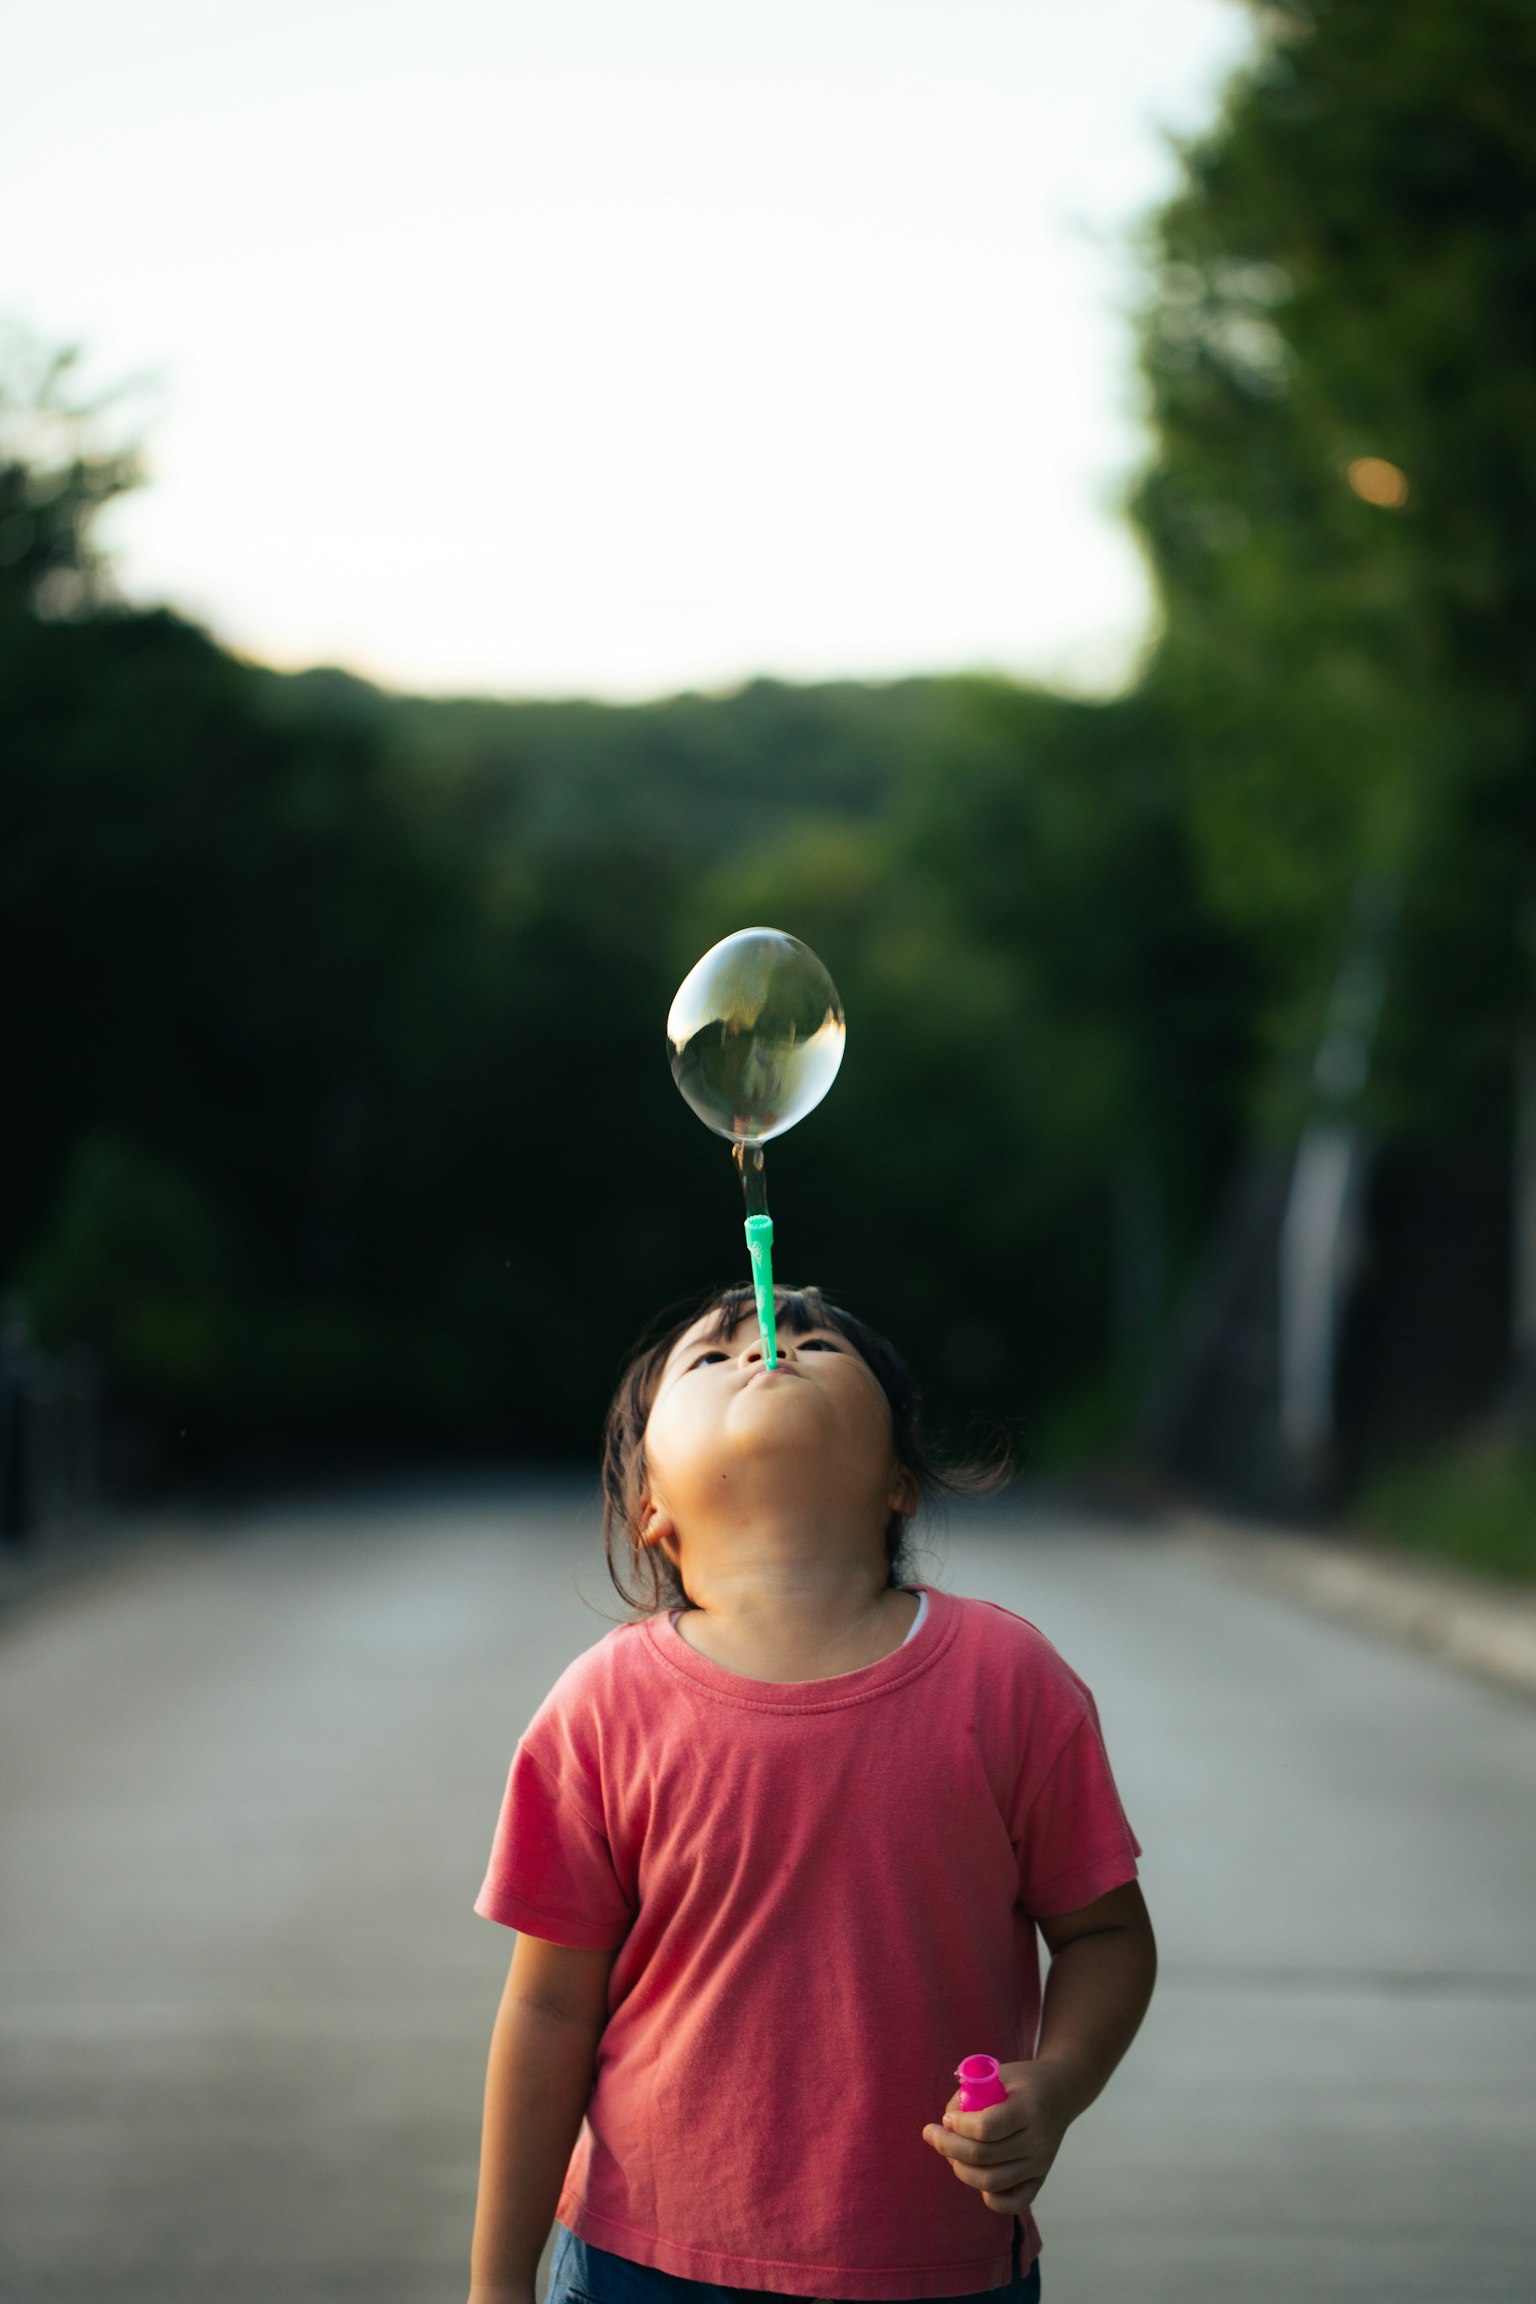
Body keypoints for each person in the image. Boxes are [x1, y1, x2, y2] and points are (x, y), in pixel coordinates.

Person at [466, 1283, 1155, 2304]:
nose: (764, 1347)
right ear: (652, 1503)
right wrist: (496, 2283)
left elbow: (1106, 1936)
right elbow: (549, 2012)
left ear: (899, 1482)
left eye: (817, 1340)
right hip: (643, 2262)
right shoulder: (601, 1706)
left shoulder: (1008, 1679)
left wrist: (1054, 2090)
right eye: (710, 1357)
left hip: (938, 2269)